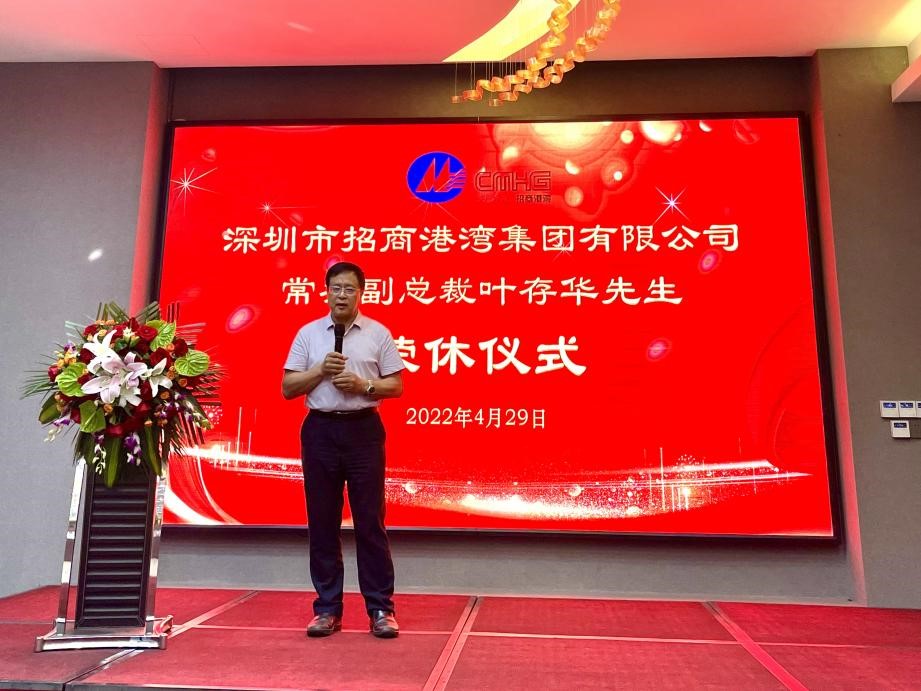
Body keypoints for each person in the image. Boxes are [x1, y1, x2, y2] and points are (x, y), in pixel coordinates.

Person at [282, 261, 405, 638]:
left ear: (361, 293)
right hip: (320, 430)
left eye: (349, 289)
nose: (341, 295)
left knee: (370, 521)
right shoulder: (308, 334)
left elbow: (396, 386)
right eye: (335, 288)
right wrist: (320, 370)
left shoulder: (378, 333)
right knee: (322, 521)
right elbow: (288, 388)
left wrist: (363, 385)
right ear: (326, 292)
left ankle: (380, 608)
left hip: (363, 430)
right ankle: (327, 608)